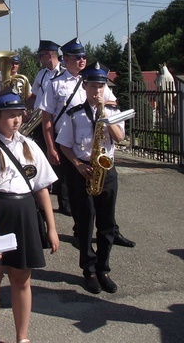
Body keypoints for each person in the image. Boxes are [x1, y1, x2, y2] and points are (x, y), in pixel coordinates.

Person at [0, 89, 59, 343]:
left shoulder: (30, 145)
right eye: (10, 116)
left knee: (21, 279)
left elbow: (42, 188)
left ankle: (22, 337)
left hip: (25, 214)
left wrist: (51, 227)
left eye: (19, 115)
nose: (16, 120)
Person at [38, 38, 135, 249]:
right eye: (77, 57)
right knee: (76, 191)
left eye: (84, 56)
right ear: (66, 59)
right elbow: (46, 118)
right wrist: (50, 147)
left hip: (95, 141)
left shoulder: (93, 79)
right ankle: (81, 230)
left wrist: (97, 99)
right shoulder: (56, 83)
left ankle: (111, 231)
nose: (82, 60)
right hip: (68, 142)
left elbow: (113, 101)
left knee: (104, 195)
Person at [56, 62, 126, 295]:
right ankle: (89, 270)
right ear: (84, 86)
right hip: (84, 170)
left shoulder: (114, 112)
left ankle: (103, 268)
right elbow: (64, 145)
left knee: (107, 223)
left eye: (101, 87)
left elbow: (121, 139)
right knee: (86, 222)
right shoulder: (74, 114)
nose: (97, 91)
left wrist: (105, 117)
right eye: (93, 86)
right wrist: (77, 164)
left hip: (107, 170)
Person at [25, 40, 69, 215]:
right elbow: (33, 96)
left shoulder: (65, 73)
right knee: (42, 161)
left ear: (50, 54)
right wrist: (22, 107)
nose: (39, 59)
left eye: (41, 55)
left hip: (58, 124)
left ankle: (65, 203)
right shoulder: (41, 74)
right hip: (39, 123)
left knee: (62, 163)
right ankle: (43, 202)